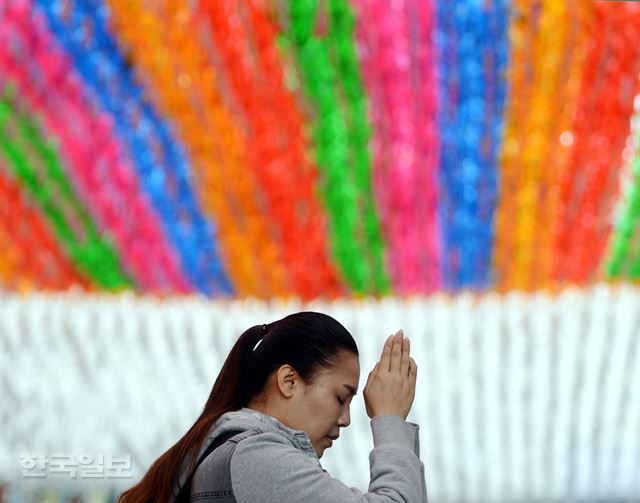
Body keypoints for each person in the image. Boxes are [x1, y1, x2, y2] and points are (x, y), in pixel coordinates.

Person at [119, 311, 427, 502]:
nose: (345, 419)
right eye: (340, 398)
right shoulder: (254, 458)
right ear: (289, 381)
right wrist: (389, 418)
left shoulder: (237, 453)